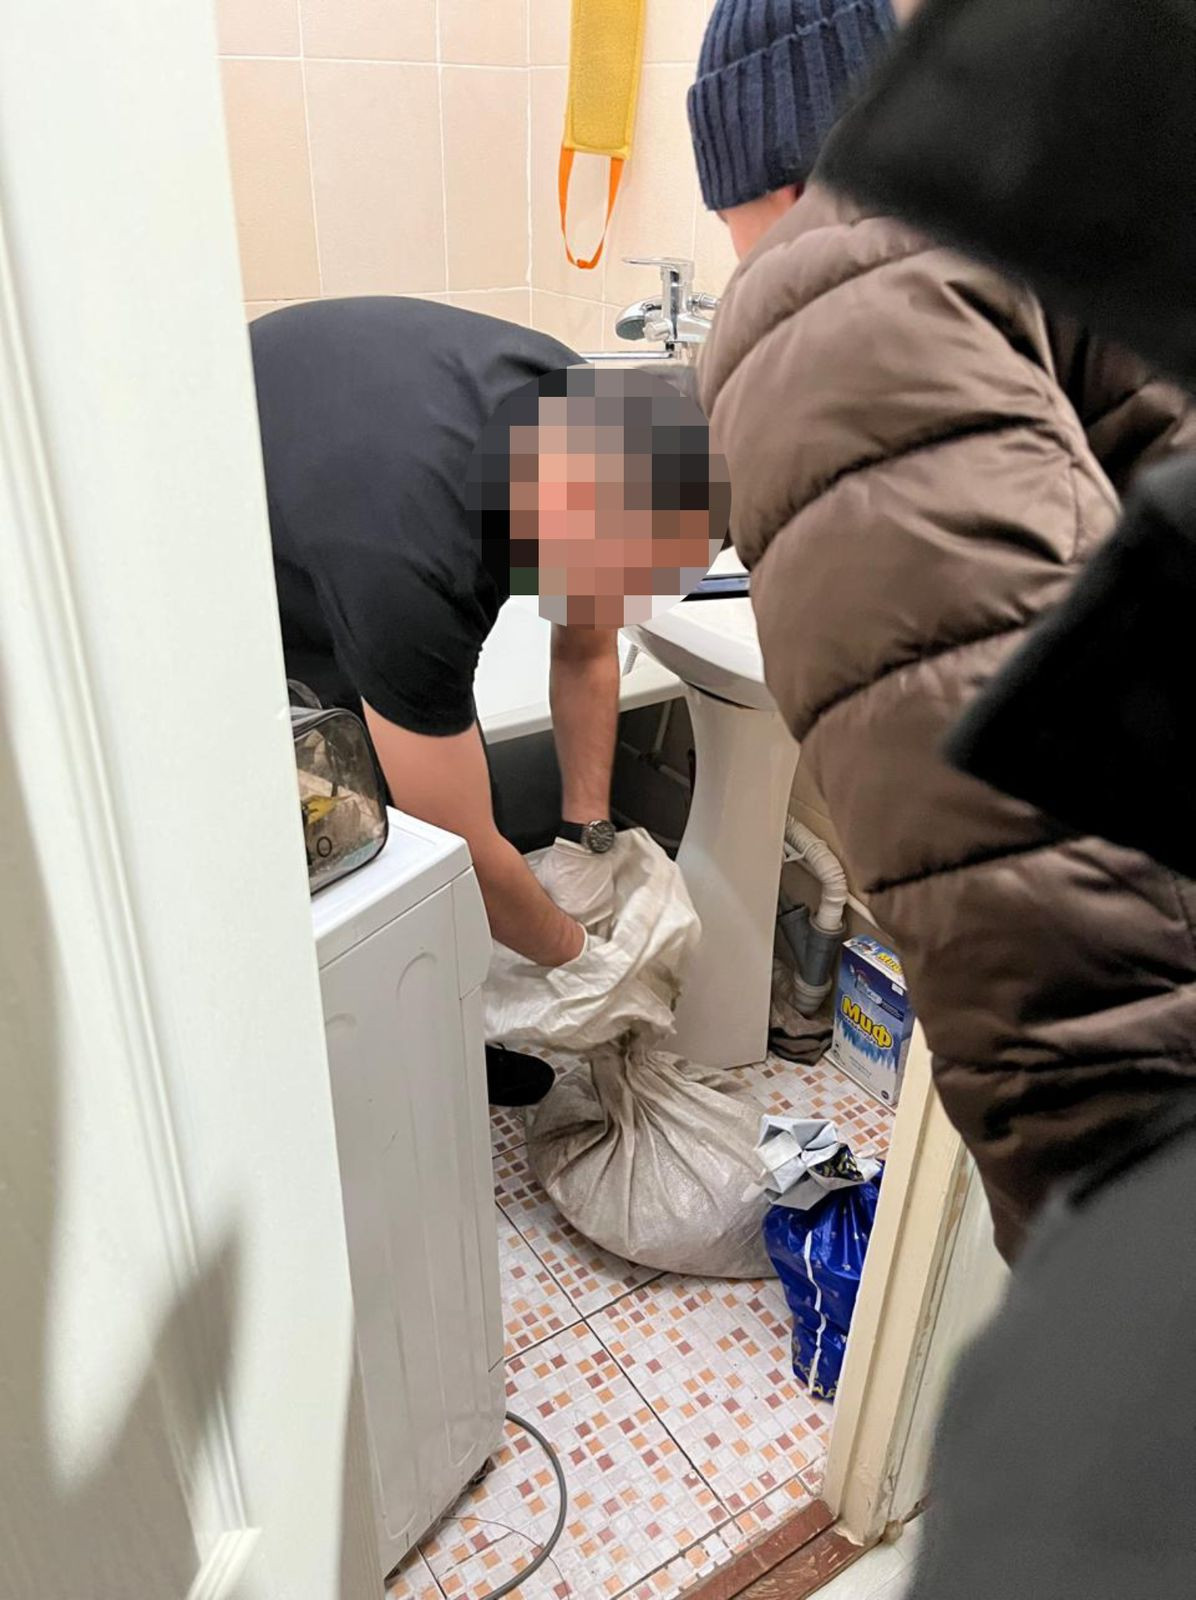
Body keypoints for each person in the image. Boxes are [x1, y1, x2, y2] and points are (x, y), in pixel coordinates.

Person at [688, 0, 1196, 1261]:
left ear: (769, 167)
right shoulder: (1062, 196)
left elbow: (1026, 910)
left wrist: (1113, 1274)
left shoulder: (817, 287)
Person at [251, 298, 723, 1105]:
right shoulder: (416, 572)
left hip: (336, 461)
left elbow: (586, 647)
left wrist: (586, 837)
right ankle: (403, 1047)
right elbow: (462, 846)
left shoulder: (583, 414)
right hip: (234, 534)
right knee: (359, 822)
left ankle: (467, 1006)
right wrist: (580, 963)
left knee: (452, 785)